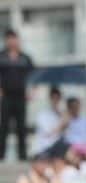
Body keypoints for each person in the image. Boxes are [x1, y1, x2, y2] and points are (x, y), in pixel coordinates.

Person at [0, 29, 33, 161]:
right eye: (9, 38)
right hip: (5, 96)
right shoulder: (1, 56)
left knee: (21, 127)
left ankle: (23, 156)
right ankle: (1, 156)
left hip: (21, 96)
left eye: (13, 38)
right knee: (4, 127)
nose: (11, 41)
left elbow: (33, 75)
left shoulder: (25, 58)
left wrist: (31, 90)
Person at [34, 87, 66, 154]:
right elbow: (48, 134)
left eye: (57, 98)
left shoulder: (61, 114)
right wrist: (61, 123)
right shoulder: (42, 114)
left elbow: (65, 134)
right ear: (50, 98)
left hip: (59, 147)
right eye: (54, 98)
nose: (55, 101)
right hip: (45, 148)